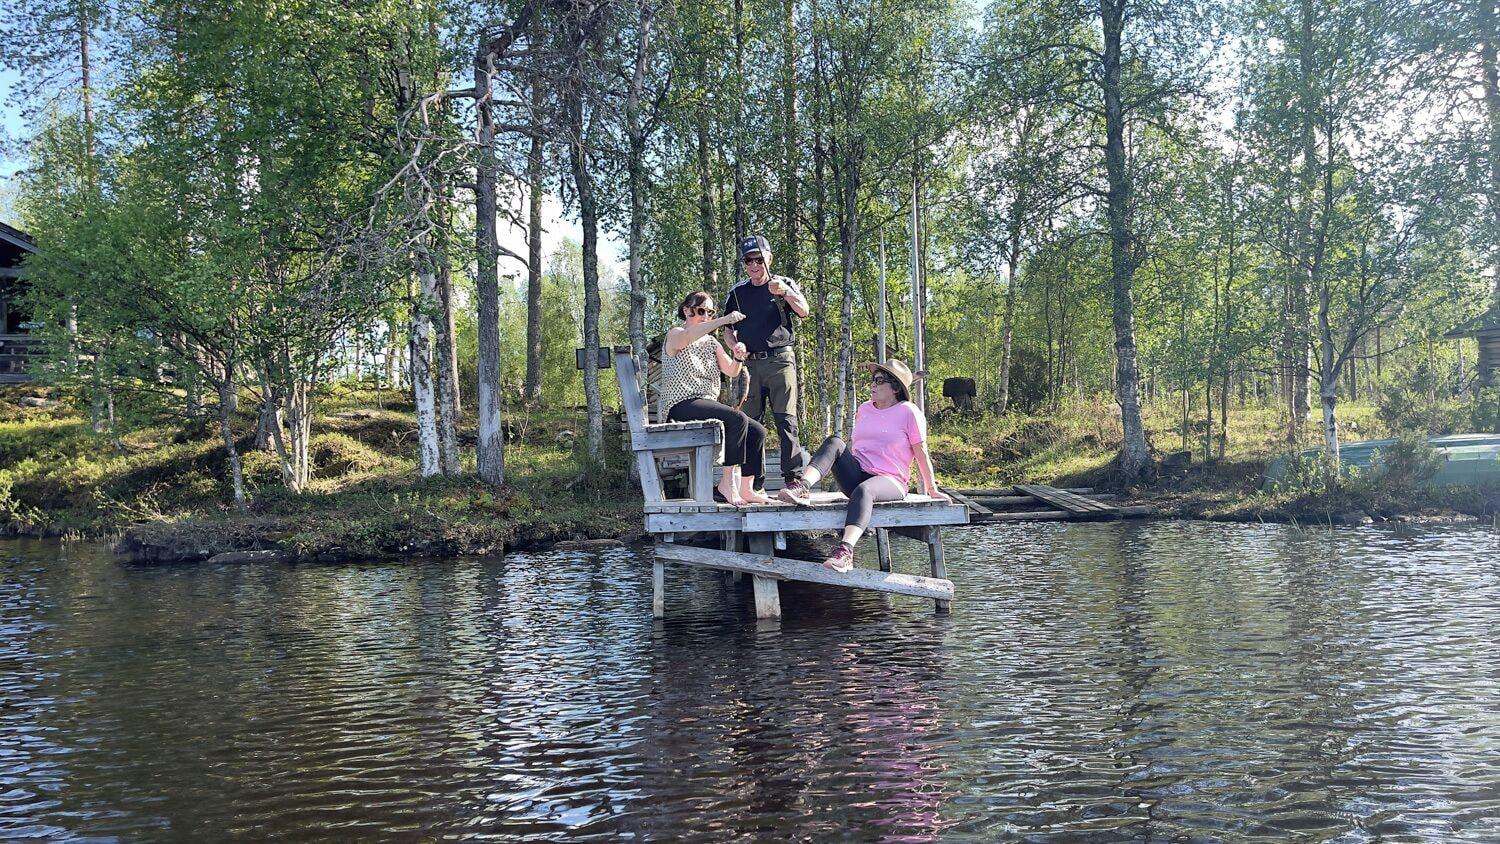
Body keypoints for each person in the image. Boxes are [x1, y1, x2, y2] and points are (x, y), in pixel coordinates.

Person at [777, 359, 949, 572]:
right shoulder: (865, 409)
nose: (872, 385)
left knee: (864, 490)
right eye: (872, 380)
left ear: (895, 388)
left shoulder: (909, 412)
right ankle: (803, 487)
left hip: (890, 480)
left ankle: (845, 551)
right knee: (835, 442)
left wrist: (932, 489)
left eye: (878, 381)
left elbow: (921, 454)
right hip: (858, 474)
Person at [660, 291, 774, 506]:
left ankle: (747, 488)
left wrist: (739, 356)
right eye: (700, 311)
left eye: (710, 313)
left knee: (758, 430)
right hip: (680, 403)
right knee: (737, 419)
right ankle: (726, 484)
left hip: (705, 402)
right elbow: (687, 338)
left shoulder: (712, 343)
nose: (706, 317)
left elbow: (731, 371)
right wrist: (725, 320)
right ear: (686, 310)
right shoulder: (676, 334)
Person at [724, 235, 812, 496]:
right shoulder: (737, 292)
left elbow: (804, 310)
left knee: (786, 419)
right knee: (751, 424)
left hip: (780, 360)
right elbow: (728, 328)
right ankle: (754, 483)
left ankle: (793, 479)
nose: (754, 265)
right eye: (749, 260)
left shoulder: (783, 283)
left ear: (768, 259)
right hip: (750, 365)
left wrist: (784, 292)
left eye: (759, 259)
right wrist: (733, 346)